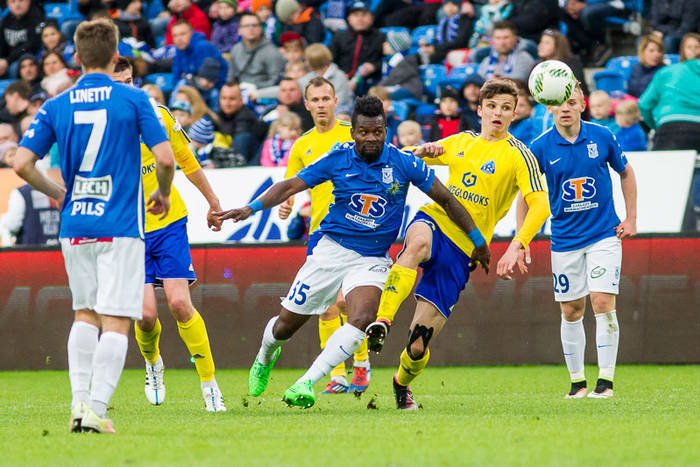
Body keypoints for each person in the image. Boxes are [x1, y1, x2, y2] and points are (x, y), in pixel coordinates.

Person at [216, 95, 489, 409]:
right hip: (331, 251)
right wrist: (250, 208)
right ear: (353, 132)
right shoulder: (337, 158)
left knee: (363, 317)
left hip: (372, 258)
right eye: (364, 132)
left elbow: (448, 200)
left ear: (386, 131)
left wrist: (478, 241)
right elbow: (290, 186)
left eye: (378, 132)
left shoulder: (404, 163)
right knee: (284, 327)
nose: (371, 138)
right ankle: (265, 357)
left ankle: (306, 382)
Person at [13, 18, 175, 433]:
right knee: (116, 319)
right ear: (116, 53)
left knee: (84, 314)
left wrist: (59, 192)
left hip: (76, 225)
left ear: (77, 56)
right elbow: (165, 158)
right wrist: (162, 193)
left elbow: (21, 163)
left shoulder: (56, 104)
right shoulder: (134, 99)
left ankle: (78, 405)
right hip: (120, 226)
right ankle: (96, 412)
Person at [364, 78, 550, 410]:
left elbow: (540, 205)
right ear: (479, 110)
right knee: (416, 243)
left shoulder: (520, 155)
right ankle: (383, 321)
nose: (498, 113)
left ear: (514, 114)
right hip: (437, 220)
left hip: (465, 250)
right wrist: (423, 150)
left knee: (418, 345)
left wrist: (517, 244)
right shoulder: (462, 141)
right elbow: (410, 158)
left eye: (506, 108)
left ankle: (401, 383)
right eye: (491, 106)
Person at [110, 56, 227, 412]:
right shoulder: (97, 124)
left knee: (179, 303)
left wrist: (213, 201)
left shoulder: (157, 115)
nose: (127, 88)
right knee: (145, 316)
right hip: (128, 230)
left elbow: (187, 161)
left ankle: (209, 384)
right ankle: (153, 364)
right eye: (118, 83)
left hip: (169, 222)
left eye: (130, 81)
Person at [528, 82, 637, 399]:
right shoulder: (539, 146)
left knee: (602, 302)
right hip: (564, 240)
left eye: (571, 102)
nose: (565, 108)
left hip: (604, 234)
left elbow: (626, 172)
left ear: (582, 104)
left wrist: (631, 218)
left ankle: (606, 381)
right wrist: (523, 237)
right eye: (559, 103)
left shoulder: (602, 135)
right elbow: (527, 192)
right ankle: (577, 383)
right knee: (572, 310)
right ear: (549, 107)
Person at [276, 77, 371, 394]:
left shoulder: (351, 134)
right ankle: (337, 376)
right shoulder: (301, 145)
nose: (320, 104)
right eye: (314, 99)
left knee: (347, 302)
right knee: (326, 307)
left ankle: (361, 362)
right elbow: (291, 183)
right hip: (320, 232)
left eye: (325, 98)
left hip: (355, 228)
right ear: (306, 105)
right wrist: (287, 204)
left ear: (335, 101)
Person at [227, 12, 285, 90]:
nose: (251, 28)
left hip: (263, 93)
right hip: (238, 91)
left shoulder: (272, 52)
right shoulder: (236, 49)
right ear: (239, 30)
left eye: (254, 25)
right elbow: (231, 76)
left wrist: (255, 88)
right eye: (246, 26)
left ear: (261, 28)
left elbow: (276, 81)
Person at [627, 35, 665, 99]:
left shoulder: (664, 70)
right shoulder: (636, 68)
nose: (656, 55)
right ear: (642, 52)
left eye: (659, 51)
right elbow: (630, 92)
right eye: (651, 51)